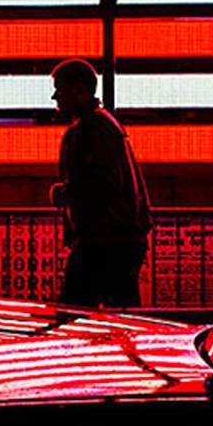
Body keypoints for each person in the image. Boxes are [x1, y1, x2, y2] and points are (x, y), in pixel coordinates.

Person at [48, 59, 152, 308]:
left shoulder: (90, 130)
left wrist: (65, 193)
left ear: (80, 90)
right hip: (117, 241)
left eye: (61, 89)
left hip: (102, 242)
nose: (55, 97)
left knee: (73, 314)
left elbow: (104, 184)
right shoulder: (104, 126)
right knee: (121, 313)